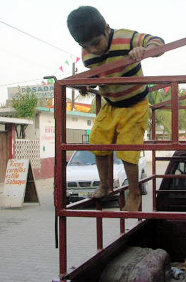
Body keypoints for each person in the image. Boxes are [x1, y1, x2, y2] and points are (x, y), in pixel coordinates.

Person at [67, 6, 164, 211]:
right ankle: (105, 185)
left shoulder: (124, 38)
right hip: (111, 104)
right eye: (87, 46)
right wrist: (86, 84)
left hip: (135, 103)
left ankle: (135, 193)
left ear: (107, 29)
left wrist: (144, 50)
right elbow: (97, 76)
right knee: (97, 141)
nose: (93, 50)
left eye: (96, 43)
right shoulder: (86, 54)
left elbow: (159, 43)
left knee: (127, 149)